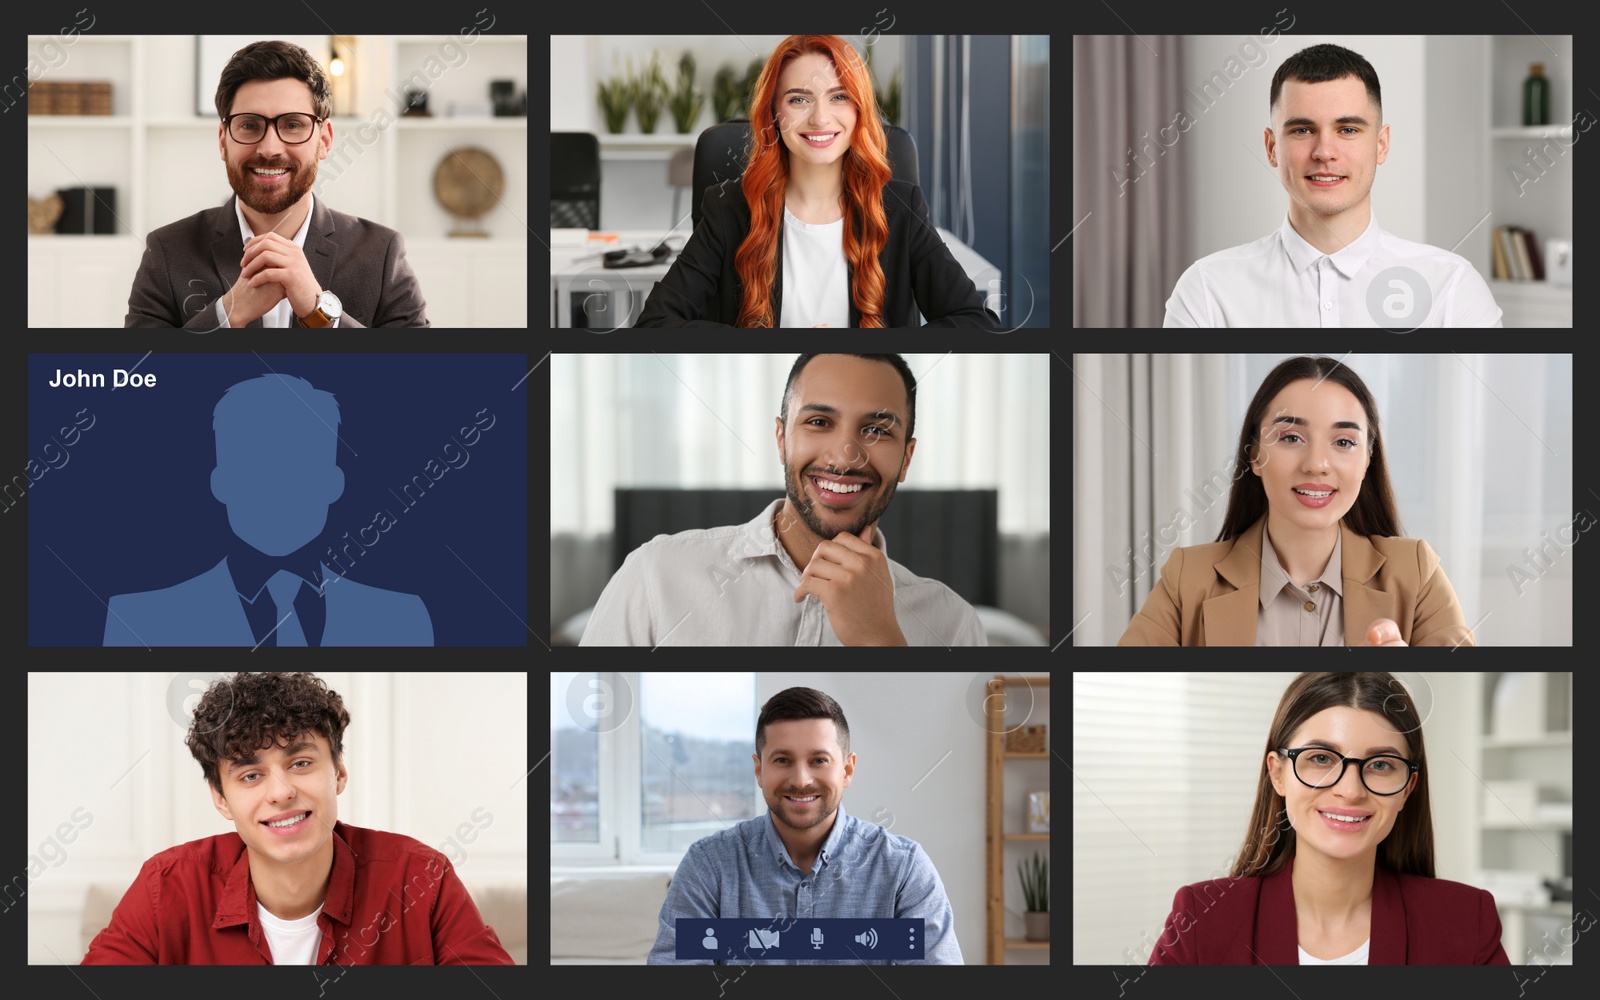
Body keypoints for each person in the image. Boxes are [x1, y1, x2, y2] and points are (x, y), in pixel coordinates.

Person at [81, 672, 513, 964]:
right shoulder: (166, 886)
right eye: (251, 775)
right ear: (221, 799)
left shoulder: (422, 880)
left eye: (301, 763)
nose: (281, 791)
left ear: (339, 772)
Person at [580, 353, 986, 646]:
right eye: (818, 422)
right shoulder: (655, 576)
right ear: (781, 439)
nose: (845, 456)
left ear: (906, 457)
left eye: (877, 430)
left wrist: (876, 639)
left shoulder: (952, 625)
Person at [634, 34, 999, 328]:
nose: (820, 118)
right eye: (799, 100)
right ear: (774, 115)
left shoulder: (901, 207)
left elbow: (975, 322)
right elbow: (656, 324)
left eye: (839, 97)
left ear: (858, 111)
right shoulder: (728, 207)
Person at [1149, 672, 1510, 965]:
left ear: (1407, 788)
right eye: (1321, 759)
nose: (1350, 790)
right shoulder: (1203, 918)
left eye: (1381, 765)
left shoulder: (1465, 921)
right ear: (1278, 774)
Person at [1119, 355, 1474, 646]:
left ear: (1367, 460)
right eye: (1290, 437)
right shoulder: (1187, 577)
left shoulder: (1416, 571)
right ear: (1255, 456)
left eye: (1344, 442)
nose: (1317, 464)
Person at [1164, 44, 1501, 327]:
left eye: (1348, 130)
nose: (1324, 152)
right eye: (1302, 130)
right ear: (1271, 148)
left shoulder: (1453, 290)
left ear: (1381, 144)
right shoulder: (1207, 292)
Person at [103, 375, 433, 646]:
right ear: (221, 482)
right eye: (256, 466)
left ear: (334, 483)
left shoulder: (403, 618)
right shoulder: (136, 620)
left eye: (298, 467)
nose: (277, 487)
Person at [125, 40, 429, 328]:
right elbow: (142, 377)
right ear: (223, 141)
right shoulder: (167, 252)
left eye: (293, 124)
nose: (270, 148)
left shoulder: (382, 253)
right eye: (249, 125)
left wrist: (320, 313)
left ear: (324, 140)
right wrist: (227, 316)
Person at [647, 687, 963, 964]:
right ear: (759, 771)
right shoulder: (708, 866)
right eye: (782, 760)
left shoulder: (904, 869)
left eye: (819, 760)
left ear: (847, 769)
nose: (801, 780)